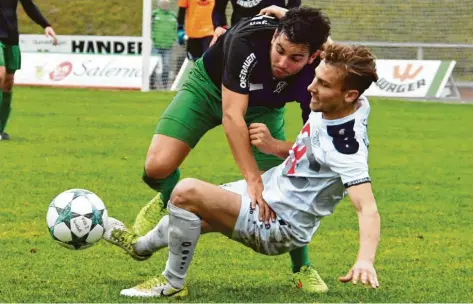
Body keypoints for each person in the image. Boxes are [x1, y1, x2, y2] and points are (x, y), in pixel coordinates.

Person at [105, 43, 381, 298]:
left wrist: (365, 260)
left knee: (185, 192)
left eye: (322, 83)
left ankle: (172, 283)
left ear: (349, 95)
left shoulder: (347, 148)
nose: (311, 86)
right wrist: (273, 146)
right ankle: (139, 247)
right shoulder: (347, 104)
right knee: (190, 217)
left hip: (279, 224)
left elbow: (366, 208)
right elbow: (311, 149)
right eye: (315, 77)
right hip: (270, 193)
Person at [132, 6, 331, 293]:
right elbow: (232, 116)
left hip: (263, 109)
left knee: (282, 196)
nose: (283, 62)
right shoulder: (247, 40)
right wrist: (252, 180)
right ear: (275, 35)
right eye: (279, 49)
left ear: (314, 55)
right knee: (156, 167)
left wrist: (274, 149)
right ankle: (166, 196)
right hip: (208, 89)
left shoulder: (319, 72)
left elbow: (313, 147)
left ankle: (302, 268)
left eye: (296, 58)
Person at [0, 0, 57, 140]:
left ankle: (0, 129)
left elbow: (28, 5)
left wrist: (46, 25)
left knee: (8, 82)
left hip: (11, 37)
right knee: (0, 74)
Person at [212, 0, 300, 35]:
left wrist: (285, 19)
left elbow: (295, 3)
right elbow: (218, 9)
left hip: (271, 32)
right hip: (240, 32)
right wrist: (219, 26)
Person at [150, 0, 177, 89]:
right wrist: (152, 37)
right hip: (156, 45)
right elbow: (148, 26)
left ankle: (165, 86)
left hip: (168, 46)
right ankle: (151, 84)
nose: (165, 5)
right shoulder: (154, 15)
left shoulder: (173, 16)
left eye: (167, 4)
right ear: (160, 4)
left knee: (166, 65)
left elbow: (176, 28)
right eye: (163, 3)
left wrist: (173, 38)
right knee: (153, 65)